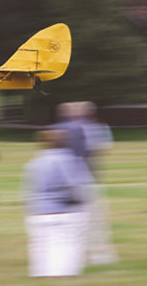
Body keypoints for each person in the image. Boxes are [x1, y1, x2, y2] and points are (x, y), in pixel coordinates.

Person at [23, 130, 92, 277]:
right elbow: (77, 185)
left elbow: (28, 190)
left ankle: (41, 273)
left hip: (39, 211)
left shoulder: (33, 163)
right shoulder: (72, 161)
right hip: (64, 210)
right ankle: (63, 273)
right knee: (65, 244)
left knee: (40, 245)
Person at [77, 101, 118, 265]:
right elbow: (105, 148)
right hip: (92, 178)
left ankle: (82, 253)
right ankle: (101, 255)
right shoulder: (99, 128)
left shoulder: (72, 130)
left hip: (79, 180)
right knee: (96, 219)